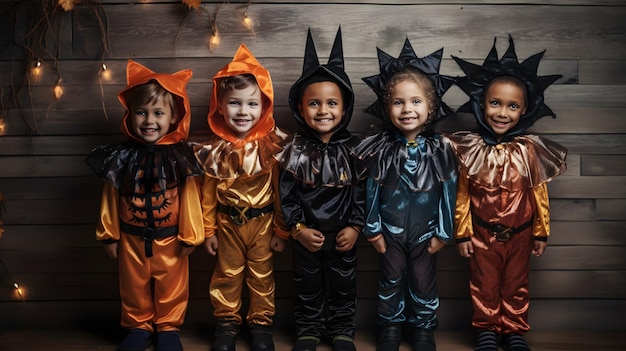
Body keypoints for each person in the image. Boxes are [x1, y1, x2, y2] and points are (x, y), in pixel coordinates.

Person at [447, 36, 567, 351]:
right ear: (481, 104)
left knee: (516, 284)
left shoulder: (530, 149)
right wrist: (462, 234)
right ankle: (487, 329)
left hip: (522, 233)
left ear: (524, 109)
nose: (502, 113)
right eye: (495, 103)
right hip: (482, 235)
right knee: (484, 284)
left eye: (512, 106)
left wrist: (541, 232)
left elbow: (539, 193)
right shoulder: (470, 148)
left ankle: (513, 329)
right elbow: (461, 194)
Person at [86, 60, 204, 351]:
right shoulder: (121, 156)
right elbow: (110, 196)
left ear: (174, 116)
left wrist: (191, 235)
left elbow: (189, 196)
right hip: (131, 239)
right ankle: (138, 325)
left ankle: (168, 327)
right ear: (130, 115)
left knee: (172, 286)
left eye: (158, 113)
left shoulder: (180, 157)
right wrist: (109, 234)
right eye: (141, 112)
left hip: (171, 238)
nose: (149, 120)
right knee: (133, 286)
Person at [354, 39, 458, 351]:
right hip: (390, 231)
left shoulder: (441, 148)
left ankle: (423, 328)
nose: (407, 109)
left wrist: (443, 232)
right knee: (390, 279)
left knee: (424, 282)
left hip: (427, 233)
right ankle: (390, 326)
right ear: (388, 108)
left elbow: (448, 192)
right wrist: (372, 230)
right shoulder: (381, 146)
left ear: (430, 107)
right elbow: (371, 188)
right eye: (398, 102)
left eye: (415, 102)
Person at [196, 43, 290, 351]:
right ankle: (226, 322)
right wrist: (208, 230)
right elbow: (208, 192)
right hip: (227, 223)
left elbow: (279, 190)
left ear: (264, 106)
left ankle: (261, 324)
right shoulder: (215, 148)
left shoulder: (271, 146)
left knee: (262, 276)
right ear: (220, 106)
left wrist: (281, 229)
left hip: (262, 222)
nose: (243, 111)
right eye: (234, 103)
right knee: (226, 274)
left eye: (252, 104)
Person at [276, 27, 365, 351]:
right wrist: (297, 228)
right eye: (314, 103)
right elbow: (286, 194)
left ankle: (342, 330)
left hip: (343, 237)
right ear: (300, 108)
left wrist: (356, 227)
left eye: (331, 103)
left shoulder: (355, 150)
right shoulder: (293, 150)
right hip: (306, 236)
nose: (323, 110)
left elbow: (360, 193)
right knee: (307, 285)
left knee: (344, 286)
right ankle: (308, 330)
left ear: (344, 109)